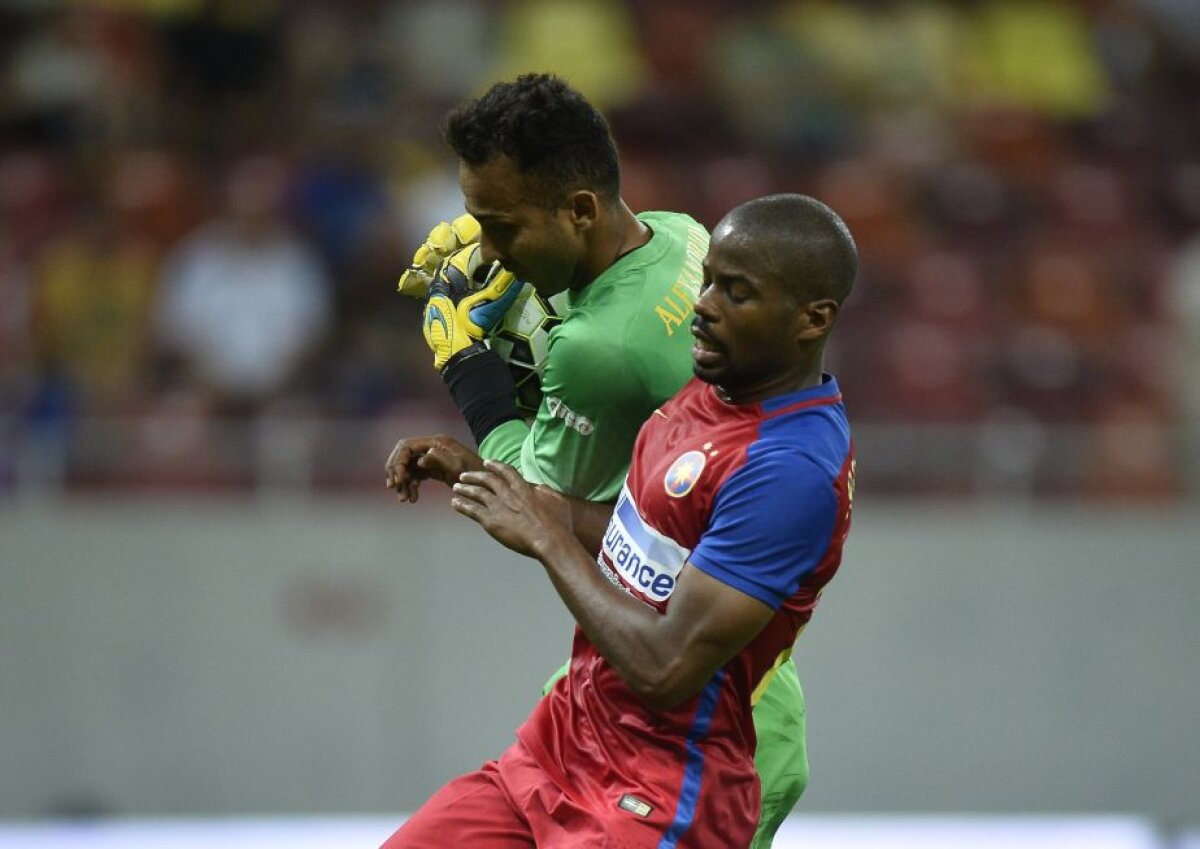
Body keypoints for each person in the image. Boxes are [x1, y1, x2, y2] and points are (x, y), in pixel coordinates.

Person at [384, 74, 808, 846]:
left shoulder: (598, 352)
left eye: (501, 227)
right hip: (604, 700)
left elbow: (531, 503)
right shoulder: (679, 233)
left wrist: (471, 372)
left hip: (698, 730)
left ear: (580, 210)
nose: (488, 250)